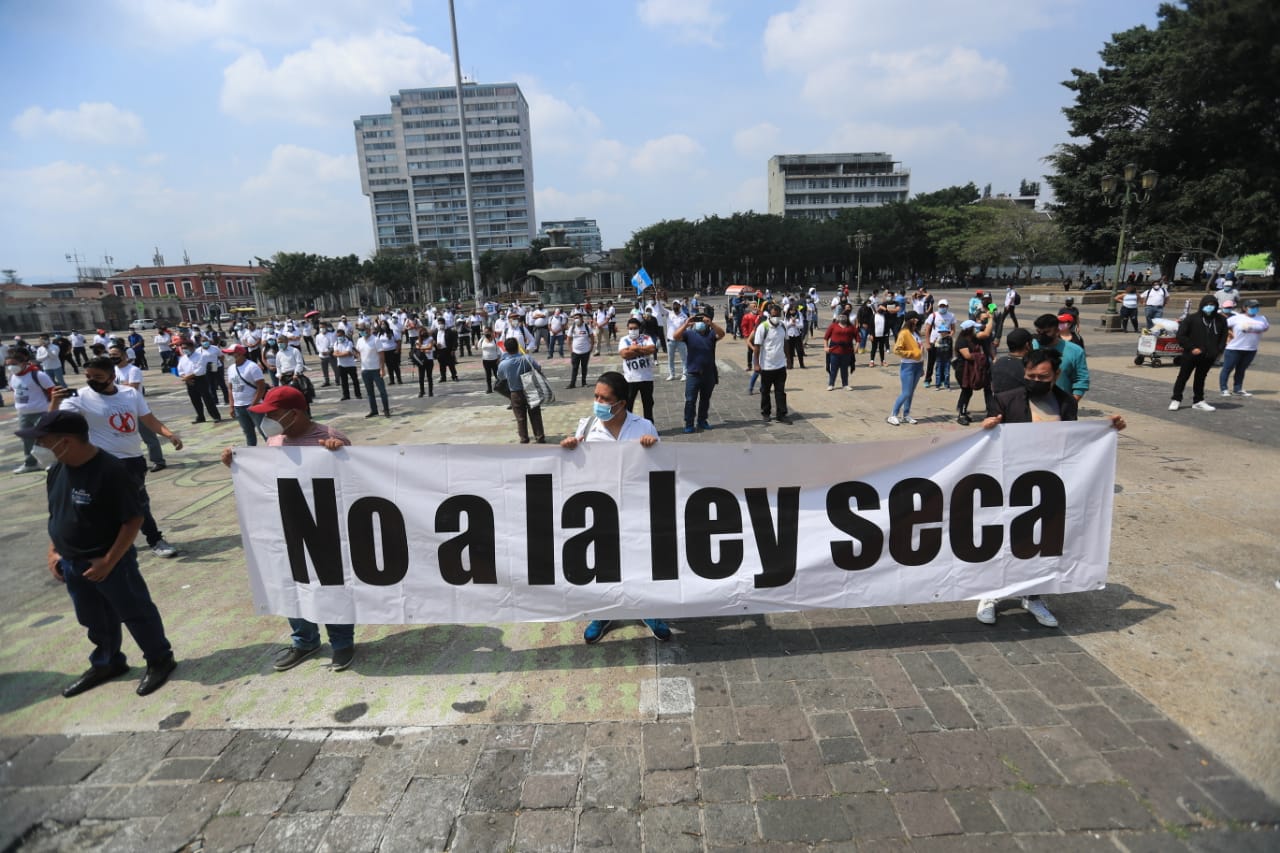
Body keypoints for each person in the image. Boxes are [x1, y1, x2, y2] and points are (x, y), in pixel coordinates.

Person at [21, 410, 178, 697]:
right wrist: (54, 551)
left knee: (135, 612)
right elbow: (57, 513)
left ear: (65, 441)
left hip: (110, 561)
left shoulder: (110, 470)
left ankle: (159, 658)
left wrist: (109, 561)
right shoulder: (57, 468)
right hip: (73, 562)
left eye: (43, 442)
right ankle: (108, 662)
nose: (37, 449)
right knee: (92, 617)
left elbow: (133, 520)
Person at [977, 348, 1127, 628]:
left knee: (1042, 543)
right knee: (1005, 540)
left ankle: (1033, 596)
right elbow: (988, 440)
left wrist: (1106, 430)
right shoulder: (1005, 400)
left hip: (1049, 484)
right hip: (1009, 484)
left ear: (1056, 375)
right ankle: (991, 594)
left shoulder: (1066, 402)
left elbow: (1075, 440)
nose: (1035, 380)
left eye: (1042, 376)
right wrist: (986, 426)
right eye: (1030, 375)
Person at [220, 386, 356, 671]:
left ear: (294, 414)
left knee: (331, 586)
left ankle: (342, 643)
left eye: (272, 413)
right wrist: (237, 464)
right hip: (286, 528)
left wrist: (340, 454)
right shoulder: (274, 441)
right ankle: (304, 641)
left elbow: (357, 482)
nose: (266, 419)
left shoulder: (329, 438)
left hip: (325, 530)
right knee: (293, 586)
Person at [560, 371, 668, 644]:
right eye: (596, 396)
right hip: (601, 509)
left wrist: (653, 447)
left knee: (641, 560)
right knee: (604, 563)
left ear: (621, 403)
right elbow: (576, 469)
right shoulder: (587, 428)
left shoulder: (643, 426)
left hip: (637, 508)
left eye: (604, 398)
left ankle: (649, 610)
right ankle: (603, 613)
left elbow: (664, 468)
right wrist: (569, 448)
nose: (598, 402)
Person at [51, 357, 182, 558]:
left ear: (112, 377)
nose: (92, 380)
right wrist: (55, 402)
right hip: (100, 463)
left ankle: (155, 540)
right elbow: (54, 425)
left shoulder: (130, 394)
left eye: (98, 376)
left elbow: (148, 419)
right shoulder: (79, 397)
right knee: (100, 506)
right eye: (88, 376)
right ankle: (109, 546)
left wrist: (169, 434)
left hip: (132, 461)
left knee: (138, 504)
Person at [109, 345, 167, 472]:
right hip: (120, 409)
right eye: (111, 355)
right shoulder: (112, 370)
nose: (113, 357)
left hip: (136, 408)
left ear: (124, 356)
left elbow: (132, 388)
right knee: (124, 436)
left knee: (149, 436)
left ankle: (158, 461)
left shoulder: (133, 370)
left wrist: (119, 387)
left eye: (115, 355)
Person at [1168, 294, 1229, 412]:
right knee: (1183, 376)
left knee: (1200, 378)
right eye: (1207, 305)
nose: (1209, 307)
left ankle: (1198, 401)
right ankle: (1176, 399)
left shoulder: (1221, 319)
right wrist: (1191, 348)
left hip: (1208, 356)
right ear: (1202, 305)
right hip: (1191, 354)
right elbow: (1181, 335)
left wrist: (1218, 350)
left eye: (1212, 305)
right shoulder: (1192, 318)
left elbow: (1223, 336)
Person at [8, 346, 57, 474]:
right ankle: (31, 463)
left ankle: (52, 462)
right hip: (24, 414)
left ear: (24, 362)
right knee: (27, 440)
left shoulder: (38, 375)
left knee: (45, 438)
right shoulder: (12, 376)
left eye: (14, 364)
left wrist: (53, 409)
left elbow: (53, 391)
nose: (11, 367)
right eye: (8, 364)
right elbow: (15, 391)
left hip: (41, 412)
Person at [674, 312, 724, 433]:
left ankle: (702, 420)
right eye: (698, 320)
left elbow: (722, 334)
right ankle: (689, 423)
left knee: (705, 399)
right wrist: (686, 324)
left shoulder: (711, 334)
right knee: (690, 400)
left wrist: (711, 323)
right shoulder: (689, 334)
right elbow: (675, 336)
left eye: (703, 320)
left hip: (709, 373)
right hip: (693, 373)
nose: (700, 323)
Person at [497, 338, 545, 444]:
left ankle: (524, 439)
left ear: (506, 349)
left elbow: (500, 377)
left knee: (520, 417)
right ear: (518, 346)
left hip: (515, 392)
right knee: (535, 415)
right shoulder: (527, 358)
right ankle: (540, 437)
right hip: (530, 389)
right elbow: (537, 368)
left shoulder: (503, 364)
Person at [1031, 313, 1089, 400]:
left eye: (1047, 332)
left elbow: (1081, 379)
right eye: (1039, 332)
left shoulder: (1075, 351)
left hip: (1062, 402)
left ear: (1057, 330)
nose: (1042, 336)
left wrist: (1072, 402)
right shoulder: (1031, 346)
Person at [1219, 299, 1269, 397]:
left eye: (1257, 307)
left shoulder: (1262, 318)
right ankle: (1224, 389)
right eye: (1252, 307)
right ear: (1245, 308)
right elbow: (1221, 326)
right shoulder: (1236, 318)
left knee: (1241, 369)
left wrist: (1254, 327)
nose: (1255, 309)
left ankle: (1238, 389)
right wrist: (1229, 334)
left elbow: (1266, 328)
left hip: (1251, 349)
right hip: (1234, 348)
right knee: (1227, 369)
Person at [223, 344, 268, 446]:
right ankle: (251, 454)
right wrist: (232, 406)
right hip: (239, 407)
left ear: (239, 354)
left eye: (230, 354)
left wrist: (253, 404)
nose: (228, 357)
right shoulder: (231, 369)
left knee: (264, 432)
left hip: (254, 405)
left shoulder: (252, 367)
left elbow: (261, 387)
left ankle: (275, 452)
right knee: (248, 433)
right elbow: (231, 388)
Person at [887, 311, 924, 426]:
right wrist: (912, 354)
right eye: (914, 318)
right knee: (906, 392)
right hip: (908, 366)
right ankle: (893, 414)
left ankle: (906, 415)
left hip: (918, 365)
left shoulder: (916, 333)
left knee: (911, 392)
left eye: (917, 318)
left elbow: (921, 351)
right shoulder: (904, 333)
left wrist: (922, 366)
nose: (917, 320)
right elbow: (897, 350)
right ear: (909, 320)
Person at [619, 316, 658, 423]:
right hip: (630, 379)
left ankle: (649, 427)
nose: (632, 330)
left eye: (635, 328)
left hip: (646, 378)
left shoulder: (646, 338)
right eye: (630, 328)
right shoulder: (624, 339)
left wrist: (636, 348)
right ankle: (628, 427)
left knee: (648, 404)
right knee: (628, 405)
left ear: (639, 328)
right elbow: (624, 354)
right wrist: (643, 350)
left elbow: (652, 349)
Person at [176, 339, 223, 423]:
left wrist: (186, 378)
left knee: (207, 399)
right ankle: (200, 417)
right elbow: (180, 370)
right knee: (195, 400)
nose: (184, 350)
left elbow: (199, 370)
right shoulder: (183, 358)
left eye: (185, 348)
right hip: (189, 381)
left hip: (200, 379)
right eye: (182, 348)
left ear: (192, 347)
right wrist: (186, 378)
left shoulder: (200, 356)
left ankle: (216, 416)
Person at [954, 321, 991, 426]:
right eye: (975, 328)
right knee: (966, 391)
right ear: (969, 329)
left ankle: (963, 411)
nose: (977, 330)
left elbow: (987, 332)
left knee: (968, 392)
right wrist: (981, 356)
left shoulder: (974, 339)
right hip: (963, 371)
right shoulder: (962, 341)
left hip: (972, 370)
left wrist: (991, 318)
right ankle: (961, 414)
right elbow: (968, 356)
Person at [355, 327, 391, 418]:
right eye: (361, 330)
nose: (363, 332)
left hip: (376, 369)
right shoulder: (359, 341)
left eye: (365, 330)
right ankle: (374, 410)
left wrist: (382, 368)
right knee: (370, 392)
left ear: (369, 330)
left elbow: (382, 355)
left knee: (382, 391)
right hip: (365, 370)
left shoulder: (375, 340)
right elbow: (358, 353)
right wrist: (355, 354)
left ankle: (386, 409)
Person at [990, 328, 1033, 394]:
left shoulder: (998, 363)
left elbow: (993, 387)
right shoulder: (1028, 366)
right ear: (1027, 345)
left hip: (999, 402)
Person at [823, 311, 857, 391]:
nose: (842, 317)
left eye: (844, 316)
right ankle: (831, 384)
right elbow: (826, 337)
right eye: (841, 315)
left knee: (844, 369)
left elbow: (858, 338)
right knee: (833, 368)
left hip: (846, 351)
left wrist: (856, 347)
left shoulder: (851, 327)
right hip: (834, 351)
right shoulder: (833, 326)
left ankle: (845, 384)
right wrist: (826, 347)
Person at [566, 311, 595, 389]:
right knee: (574, 368)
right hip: (575, 352)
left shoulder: (586, 327)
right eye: (574, 318)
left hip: (585, 351)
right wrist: (570, 349)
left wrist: (591, 346)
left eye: (577, 318)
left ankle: (584, 382)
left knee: (584, 367)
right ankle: (572, 383)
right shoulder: (572, 328)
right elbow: (568, 339)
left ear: (582, 319)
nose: (576, 319)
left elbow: (592, 337)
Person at [332, 329, 361, 401]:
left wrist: (339, 354)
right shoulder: (336, 343)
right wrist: (342, 354)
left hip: (350, 365)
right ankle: (346, 395)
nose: (339, 337)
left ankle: (358, 394)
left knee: (355, 381)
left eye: (340, 336)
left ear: (344, 335)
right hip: (341, 365)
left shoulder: (349, 342)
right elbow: (334, 353)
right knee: (344, 382)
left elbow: (347, 353)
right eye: (338, 336)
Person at [479, 327, 502, 393]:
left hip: (494, 360)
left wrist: (498, 359)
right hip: (485, 360)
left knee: (496, 374)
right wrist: (481, 339)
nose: (486, 333)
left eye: (487, 332)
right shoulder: (483, 339)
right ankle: (489, 388)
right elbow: (478, 346)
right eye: (484, 332)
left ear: (491, 332)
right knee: (488, 375)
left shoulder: (495, 340)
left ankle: (500, 387)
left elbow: (499, 350)